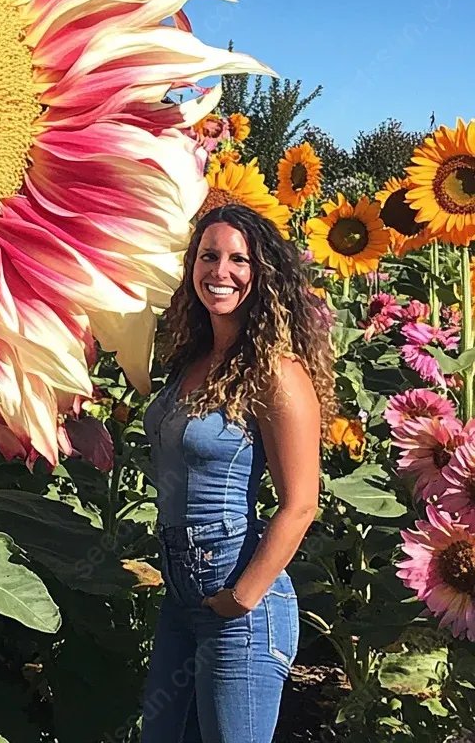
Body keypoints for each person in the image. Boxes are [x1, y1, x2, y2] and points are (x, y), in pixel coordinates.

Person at [139, 203, 336, 743]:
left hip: (239, 594)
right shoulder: (193, 358)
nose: (219, 271)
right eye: (208, 256)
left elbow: (301, 502)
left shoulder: (277, 373)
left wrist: (242, 597)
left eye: (238, 260)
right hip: (182, 593)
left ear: (263, 273)